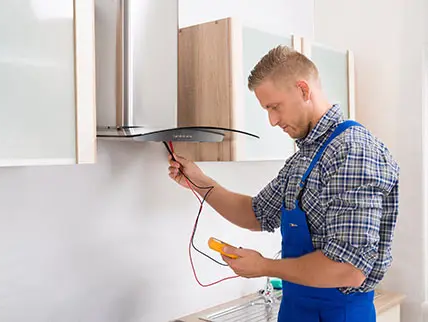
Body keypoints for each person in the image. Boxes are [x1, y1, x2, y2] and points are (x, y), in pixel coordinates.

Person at [168, 45, 400, 322]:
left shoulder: (352, 151)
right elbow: (256, 213)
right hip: (295, 310)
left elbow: (349, 268)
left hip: (339, 314)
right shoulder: (305, 157)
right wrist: (198, 181)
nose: (272, 120)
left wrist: (264, 266)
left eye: (274, 107)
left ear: (303, 90)